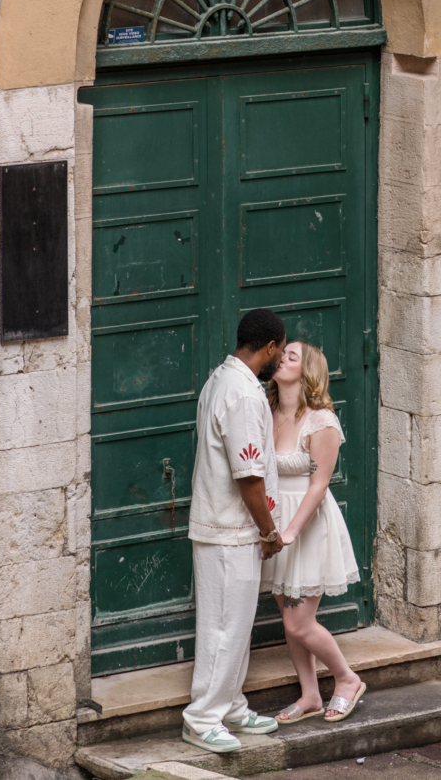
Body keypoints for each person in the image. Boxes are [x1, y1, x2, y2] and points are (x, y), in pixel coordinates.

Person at [181, 308, 287, 754]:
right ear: (269, 347)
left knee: (235, 624)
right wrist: (268, 530)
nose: (281, 356)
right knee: (225, 627)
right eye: (279, 349)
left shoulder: (219, 380)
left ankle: (230, 705)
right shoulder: (243, 394)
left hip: (226, 528)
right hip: (231, 530)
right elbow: (248, 476)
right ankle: (203, 716)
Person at [263, 340, 367, 723]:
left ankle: (347, 679)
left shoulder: (321, 421)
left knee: (298, 622)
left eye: (291, 356)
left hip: (306, 527)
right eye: (281, 353)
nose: (281, 359)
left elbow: (319, 484)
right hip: (275, 523)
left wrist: (289, 533)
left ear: (307, 372)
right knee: (287, 618)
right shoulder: (268, 409)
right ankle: (309, 695)